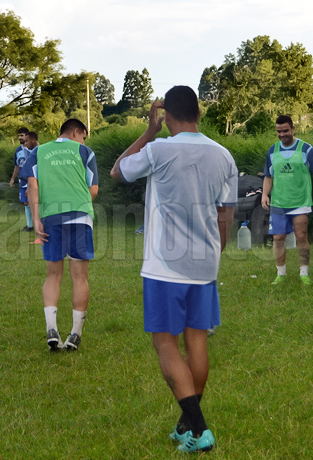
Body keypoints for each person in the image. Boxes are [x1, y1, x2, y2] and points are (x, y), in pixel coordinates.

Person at [110, 87, 237, 453]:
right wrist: (215, 253)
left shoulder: (159, 149)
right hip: (205, 264)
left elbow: (118, 171)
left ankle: (199, 429)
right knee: (196, 340)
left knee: (165, 343)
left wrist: (148, 132)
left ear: (166, 116)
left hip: (165, 266)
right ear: (198, 113)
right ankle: (187, 424)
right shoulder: (224, 155)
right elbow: (226, 214)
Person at [25, 118, 98, 351]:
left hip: (50, 217)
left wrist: (36, 218)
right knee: (80, 277)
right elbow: (93, 190)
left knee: (53, 275)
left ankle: (51, 328)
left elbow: (32, 187)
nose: (83, 140)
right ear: (76, 131)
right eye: (83, 136)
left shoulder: (38, 152)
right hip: (80, 216)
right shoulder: (85, 152)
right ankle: (75, 333)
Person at [261, 115, 313, 285]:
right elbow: (268, 176)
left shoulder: (306, 149)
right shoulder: (272, 151)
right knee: (278, 238)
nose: (282, 134)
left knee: (301, 236)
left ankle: (304, 273)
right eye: (278, 131)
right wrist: (264, 194)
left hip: (300, 202)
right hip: (278, 203)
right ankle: (280, 274)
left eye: (285, 131)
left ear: (293, 129)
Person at [9, 127, 34, 231]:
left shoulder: (34, 149)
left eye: (22, 135)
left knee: (36, 202)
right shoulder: (18, 151)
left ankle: (40, 224)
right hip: (22, 181)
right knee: (26, 202)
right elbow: (17, 166)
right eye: (19, 136)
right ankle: (29, 225)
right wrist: (12, 179)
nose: (20, 138)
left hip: (33, 180)